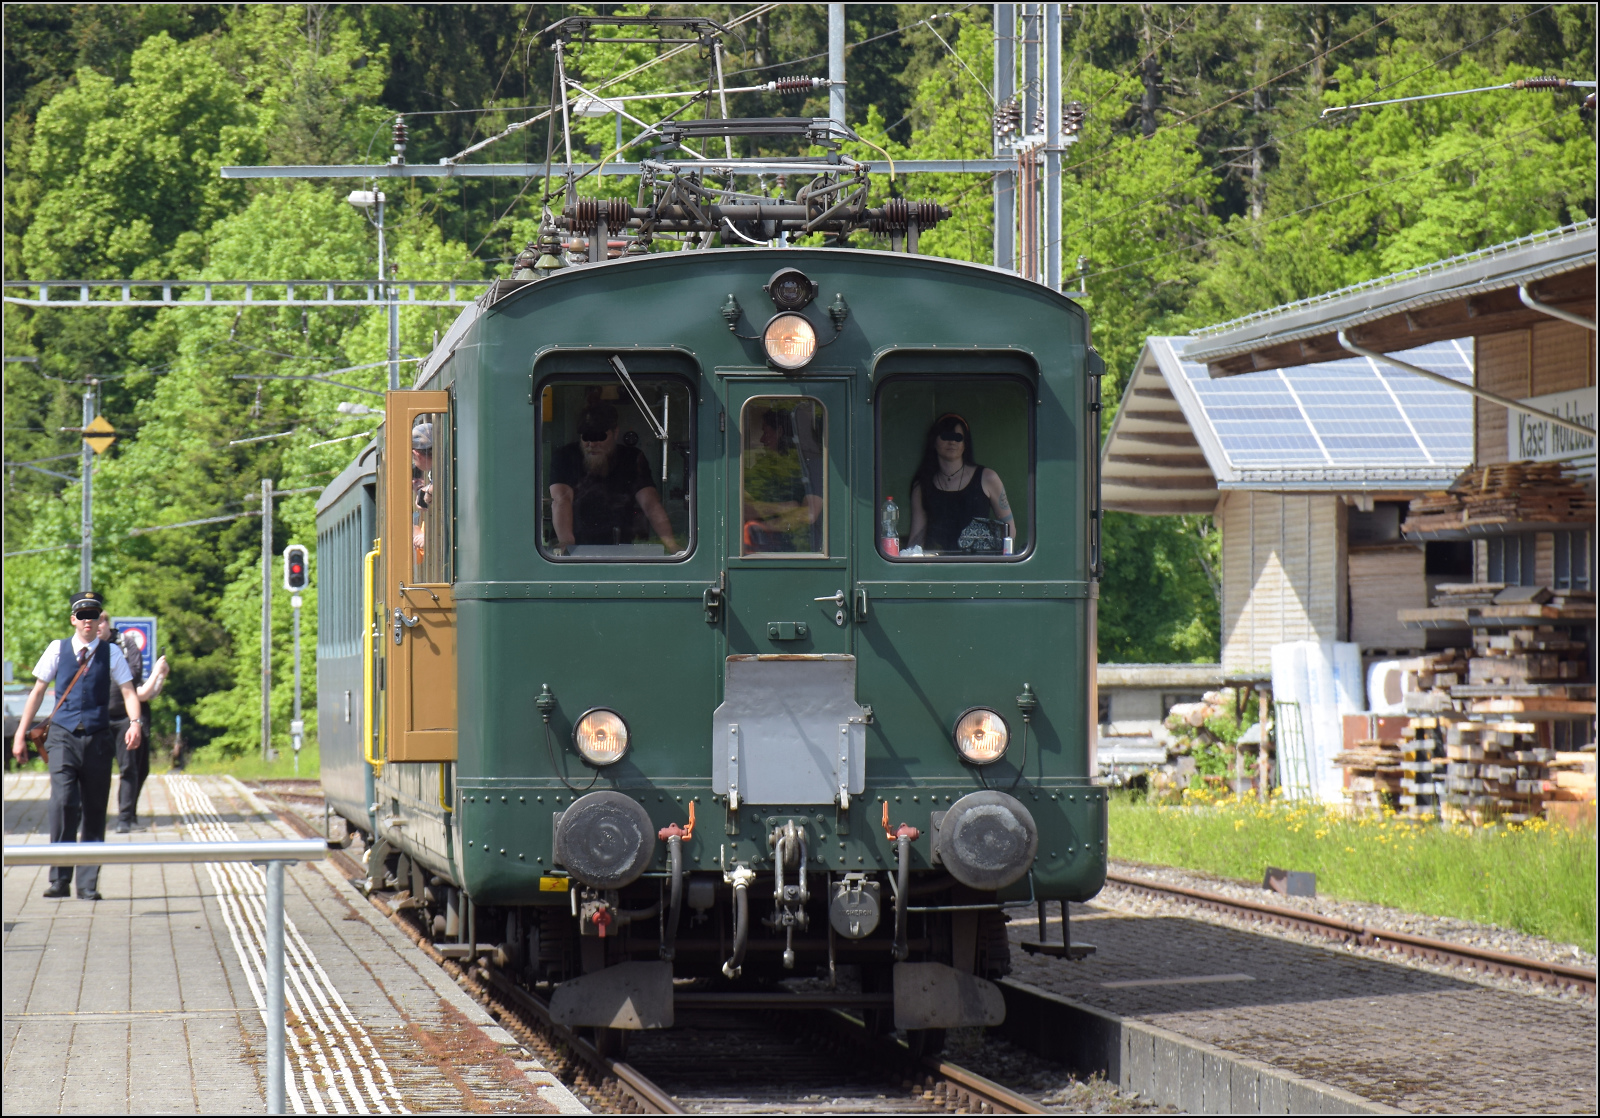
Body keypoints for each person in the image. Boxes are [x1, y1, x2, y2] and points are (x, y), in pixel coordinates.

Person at [8, 591, 143, 900]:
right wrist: (20, 734)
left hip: (97, 738)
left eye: (93, 616)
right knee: (63, 802)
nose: (88, 621)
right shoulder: (57, 649)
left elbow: (128, 691)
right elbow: (38, 692)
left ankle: (87, 884)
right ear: (73, 620)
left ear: (99, 621)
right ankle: (59, 878)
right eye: (82, 616)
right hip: (62, 737)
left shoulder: (112, 653)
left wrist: (135, 723)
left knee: (95, 808)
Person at [549, 402, 678, 554]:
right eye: (586, 437)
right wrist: (566, 544)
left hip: (620, 546)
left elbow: (650, 503)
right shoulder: (565, 456)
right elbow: (561, 499)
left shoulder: (631, 458)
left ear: (615, 433)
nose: (592, 444)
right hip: (576, 545)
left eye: (600, 436)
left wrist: (672, 546)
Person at [99, 614, 170, 833]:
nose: (95, 625)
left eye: (100, 621)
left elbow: (134, 681)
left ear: (107, 623)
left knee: (131, 768)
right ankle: (91, 817)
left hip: (124, 717)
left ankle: (126, 818)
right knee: (95, 770)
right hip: (98, 717)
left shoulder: (125, 645)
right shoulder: (84, 646)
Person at [907, 413, 1015, 554]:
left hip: (979, 563)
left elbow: (1009, 530)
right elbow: (916, 538)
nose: (952, 442)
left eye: (958, 437)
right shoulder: (922, 486)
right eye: (946, 436)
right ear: (934, 441)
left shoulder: (988, 478)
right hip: (936, 563)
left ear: (965, 444)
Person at [742, 405, 825, 553]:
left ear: (780, 432)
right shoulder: (764, 466)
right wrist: (783, 507)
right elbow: (742, 507)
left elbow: (809, 514)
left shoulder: (812, 466)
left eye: (766, 432)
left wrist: (763, 527)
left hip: (804, 551)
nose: (762, 439)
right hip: (764, 549)